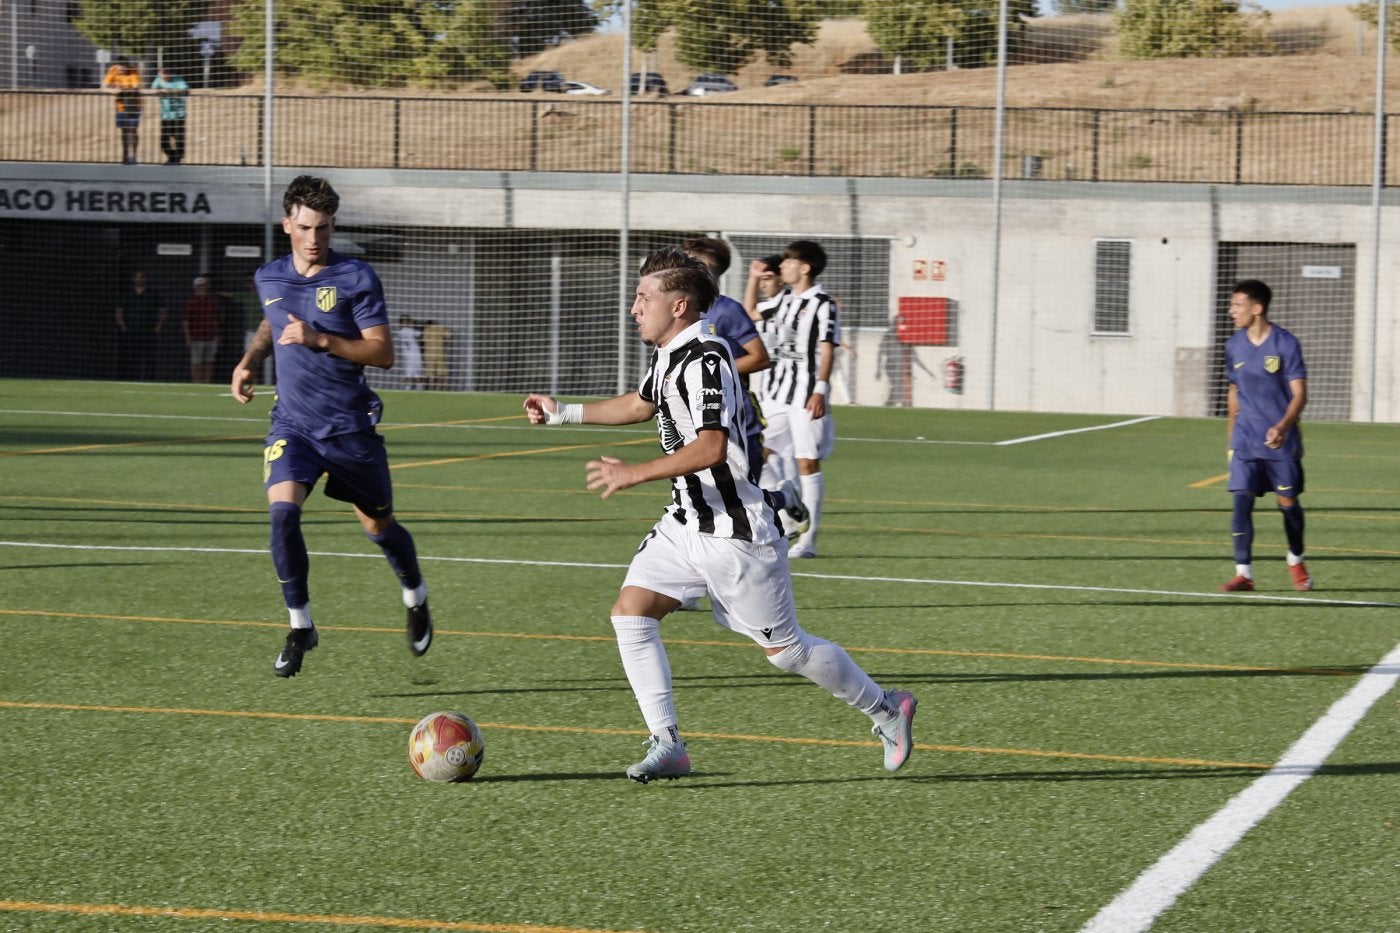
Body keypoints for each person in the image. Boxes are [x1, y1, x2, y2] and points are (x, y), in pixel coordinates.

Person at [522, 246, 916, 782]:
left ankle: (886, 709)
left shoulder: (706, 357)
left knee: (787, 651)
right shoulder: (669, 351)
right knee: (631, 614)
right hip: (686, 521)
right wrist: (562, 413)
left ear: (679, 305)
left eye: (644, 298)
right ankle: (668, 744)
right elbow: (641, 404)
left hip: (736, 532)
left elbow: (711, 447)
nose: (633, 307)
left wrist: (633, 473)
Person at [229, 174, 433, 677]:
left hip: (349, 429)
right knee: (282, 516)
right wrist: (250, 361)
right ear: (287, 225)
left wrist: (321, 340)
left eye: (323, 227)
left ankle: (415, 594)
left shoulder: (356, 277)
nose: (315, 238)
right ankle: (301, 626)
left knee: (379, 526)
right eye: (305, 227)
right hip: (293, 426)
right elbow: (271, 321)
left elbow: (381, 352)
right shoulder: (269, 277)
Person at [680, 237, 805, 527]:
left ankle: (784, 499)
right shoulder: (682, 310)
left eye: (689, 264)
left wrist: (714, 373)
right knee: (700, 495)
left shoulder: (726, 310)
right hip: (695, 414)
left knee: (740, 498)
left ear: (707, 271)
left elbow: (760, 357)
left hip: (736, 413)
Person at [1220, 279, 1311, 592]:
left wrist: (1282, 427)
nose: (1231, 311)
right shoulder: (1233, 346)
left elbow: (1299, 394)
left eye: (1237, 305)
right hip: (1246, 440)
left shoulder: (1286, 344)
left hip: (1281, 443)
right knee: (1241, 502)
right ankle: (1243, 572)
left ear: (1256, 309)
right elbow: (1234, 391)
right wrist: (1231, 439)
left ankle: (1296, 560)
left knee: (1288, 505)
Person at [758, 240, 840, 559]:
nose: (783, 266)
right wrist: (753, 278)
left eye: (789, 262)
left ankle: (808, 542)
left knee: (807, 462)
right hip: (776, 394)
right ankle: (787, 501)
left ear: (805, 268)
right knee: (754, 452)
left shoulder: (822, 303)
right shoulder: (784, 301)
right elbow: (751, 311)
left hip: (806, 394)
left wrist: (820, 388)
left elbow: (828, 347)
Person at [114, 270, 167, 381]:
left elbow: (163, 311)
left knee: (150, 358)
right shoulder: (127, 293)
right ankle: (132, 379)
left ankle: (149, 380)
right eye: (137, 277)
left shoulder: (153, 294)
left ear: (145, 279)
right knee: (132, 357)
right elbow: (119, 311)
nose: (139, 279)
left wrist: (158, 327)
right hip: (132, 331)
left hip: (149, 331)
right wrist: (123, 326)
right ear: (133, 279)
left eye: (142, 277)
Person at [101, 60, 143, 164]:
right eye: (120, 68)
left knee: (133, 129)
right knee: (124, 131)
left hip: (134, 105)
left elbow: (135, 87)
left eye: (124, 68)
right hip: (121, 106)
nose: (122, 70)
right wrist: (114, 90)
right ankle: (125, 155)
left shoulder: (133, 71)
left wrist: (123, 88)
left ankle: (134, 155)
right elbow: (104, 87)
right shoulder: (112, 70)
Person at [182, 274, 222, 383]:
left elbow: (216, 319)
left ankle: (207, 382)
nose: (202, 288)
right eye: (199, 286)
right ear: (195, 287)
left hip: (210, 335)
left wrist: (218, 335)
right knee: (196, 362)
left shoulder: (212, 301)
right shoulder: (191, 302)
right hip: (196, 336)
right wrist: (188, 337)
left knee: (209, 361)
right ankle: (197, 382)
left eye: (203, 285)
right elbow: (186, 321)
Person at [149, 67, 190, 165]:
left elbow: (186, 90)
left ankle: (178, 158)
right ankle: (172, 157)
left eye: (167, 73)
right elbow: (152, 90)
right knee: (164, 140)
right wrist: (160, 91)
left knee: (179, 138)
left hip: (178, 114)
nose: (165, 75)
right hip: (166, 115)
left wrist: (170, 91)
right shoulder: (158, 79)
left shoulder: (178, 79)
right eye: (163, 73)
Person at [395, 315, 425, 390]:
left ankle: (408, 388)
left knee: (410, 373)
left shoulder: (401, 332)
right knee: (417, 373)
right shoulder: (411, 331)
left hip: (407, 355)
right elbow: (420, 334)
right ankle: (419, 389)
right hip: (415, 355)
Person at [423, 320, 451, 390]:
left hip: (430, 355)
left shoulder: (426, 330)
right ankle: (445, 389)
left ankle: (432, 390)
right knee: (443, 373)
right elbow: (449, 335)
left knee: (431, 374)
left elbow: (424, 340)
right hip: (440, 353)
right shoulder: (440, 328)